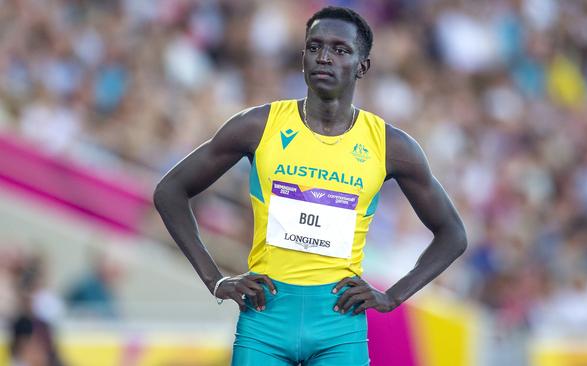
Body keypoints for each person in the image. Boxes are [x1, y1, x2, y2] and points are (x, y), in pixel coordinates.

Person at [154, 6, 467, 365]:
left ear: (362, 66)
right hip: (265, 320)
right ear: (302, 57)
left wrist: (392, 297)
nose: (324, 57)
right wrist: (214, 280)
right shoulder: (258, 126)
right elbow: (169, 192)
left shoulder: (390, 146)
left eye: (340, 50)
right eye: (314, 47)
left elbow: (452, 234)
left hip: (338, 324)